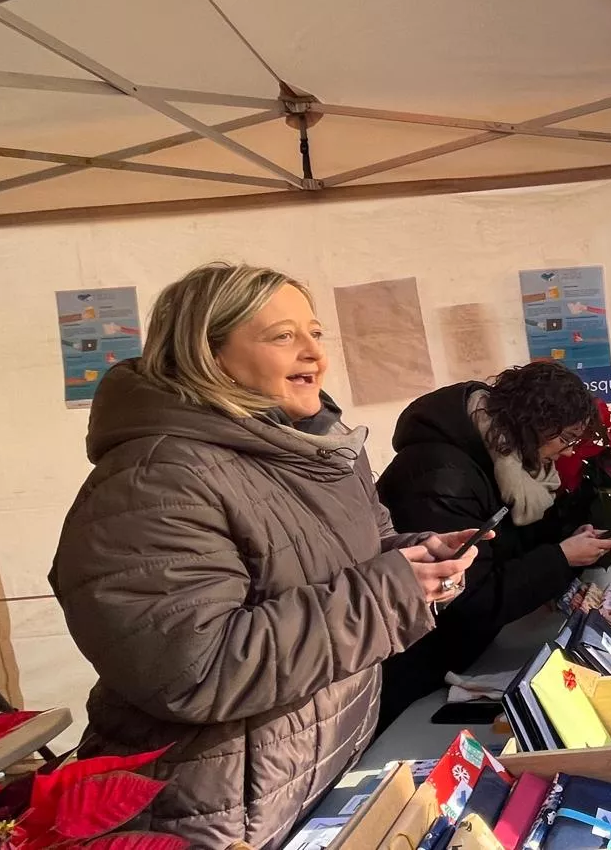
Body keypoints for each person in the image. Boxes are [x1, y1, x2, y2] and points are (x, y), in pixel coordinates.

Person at [49, 263, 480, 848]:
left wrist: (419, 558)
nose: (315, 355)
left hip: (308, 784)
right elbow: (194, 669)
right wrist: (390, 592)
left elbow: (358, 551)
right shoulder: (155, 478)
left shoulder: (320, 450)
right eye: (282, 336)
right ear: (208, 354)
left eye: (316, 333)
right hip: (208, 815)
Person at [374, 362, 611, 731]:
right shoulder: (441, 477)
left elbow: (516, 549)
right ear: (537, 423)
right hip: (416, 671)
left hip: (461, 658)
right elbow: (468, 598)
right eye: (566, 439)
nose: (570, 453)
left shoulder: (509, 468)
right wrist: (561, 556)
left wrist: (570, 542)